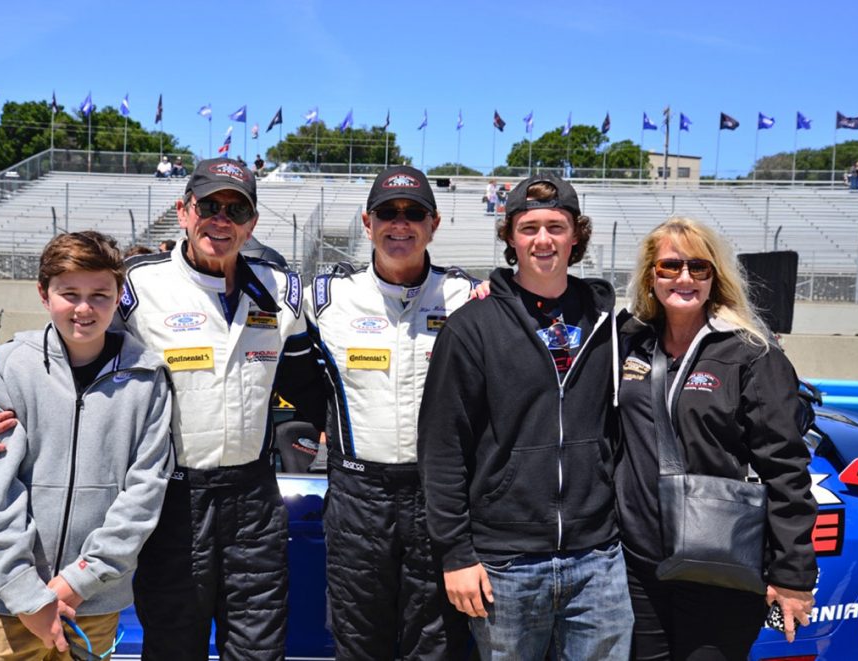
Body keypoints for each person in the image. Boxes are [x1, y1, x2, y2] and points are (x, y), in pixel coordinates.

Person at [0, 158, 326, 660]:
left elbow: (310, 380)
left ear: (252, 222)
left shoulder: (284, 289)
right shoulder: (136, 285)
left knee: (259, 645)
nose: (222, 219)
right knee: (174, 642)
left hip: (253, 495)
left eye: (236, 208)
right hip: (174, 497)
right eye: (209, 206)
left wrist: (311, 436)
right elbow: (72, 343)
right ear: (184, 211)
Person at [418, 174, 632, 660]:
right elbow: (442, 447)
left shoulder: (607, 324)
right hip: (505, 564)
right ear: (510, 237)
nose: (543, 240)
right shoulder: (472, 326)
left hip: (596, 557)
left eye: (555, 227)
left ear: (576, 235)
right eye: (529, 227)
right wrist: (456, 554)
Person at [0, 231, 174, 658]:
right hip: (5, 600)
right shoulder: (10, 366)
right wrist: (28, 594)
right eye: (69, 293)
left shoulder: (148, 377)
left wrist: (77, 582)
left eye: (99, 294)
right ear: (44, 294)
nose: (83, 308)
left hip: (90, 604)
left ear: (119, 298)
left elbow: (144, 494)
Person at [616, 216, 816, 659]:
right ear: (651, 276)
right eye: (670, 266)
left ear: (714, 277)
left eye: (698, 267)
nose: (683, 277)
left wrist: (793, 574)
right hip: (638, 563)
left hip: (720, 561)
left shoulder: (751, 353)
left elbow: (786, 468)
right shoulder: (629, 341)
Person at [306, 165, 474, 659]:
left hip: (438, 496)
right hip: (358, 494)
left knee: (437, 643)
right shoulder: (325, 298)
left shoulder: (469, 297)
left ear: (434, 224)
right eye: (387, 213)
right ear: (366, 221)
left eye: (414, 213)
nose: (400, 224)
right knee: (359, 642)